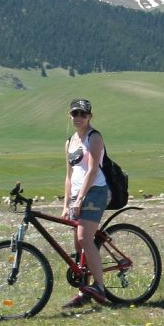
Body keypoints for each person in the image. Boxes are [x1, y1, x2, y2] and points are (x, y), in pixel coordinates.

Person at [61, 97, 110, 308]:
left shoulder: (94, 137)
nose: (78, 118)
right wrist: (66, 203)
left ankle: (100, 287)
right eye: (75, 113)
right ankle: (84, 292)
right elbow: (69, 176)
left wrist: (80, 198)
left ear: (90, 116)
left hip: (95, 191)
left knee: (84, 238)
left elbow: (92, 170)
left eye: (83, 114)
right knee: (77, 246)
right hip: (76, 195)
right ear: (70, 115)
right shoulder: (70, 141)